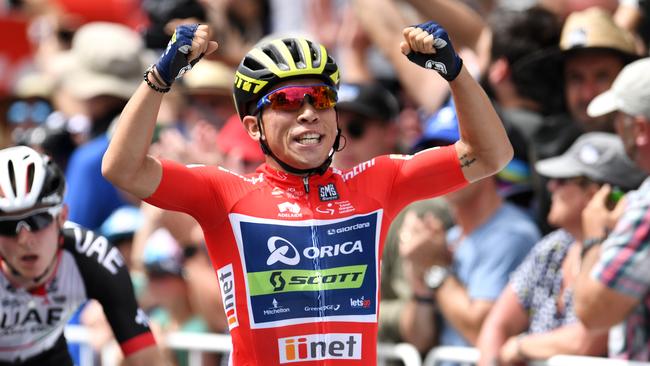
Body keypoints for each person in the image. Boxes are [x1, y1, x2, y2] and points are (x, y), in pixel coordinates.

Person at [102, 21, 513, 364]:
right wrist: (160, 79)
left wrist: (455, 73)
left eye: (320, 97)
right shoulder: (224, 194)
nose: (308, 112)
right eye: (285, 101)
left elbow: (491, 155)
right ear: (253, 127)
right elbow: (122, 168)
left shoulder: (377, 182)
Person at [477, 132, 646, 366]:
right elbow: (497, 324)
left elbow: (586, 340)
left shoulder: (628, 251)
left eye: (564, 180)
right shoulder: (555, 246)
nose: (551, 186)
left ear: (598, 195)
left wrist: (520, 347)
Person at [0, 146, 165, 365]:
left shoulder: (92, 255)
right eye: (8, 226)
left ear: (62, 217)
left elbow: (147, 360)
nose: (25, 239)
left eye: (37, 221)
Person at [575, 57, 650, 361]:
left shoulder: (646, 207)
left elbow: (593, 313)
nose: (618, 130)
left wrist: (594, 237)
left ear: (641, 128)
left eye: (620, 119)